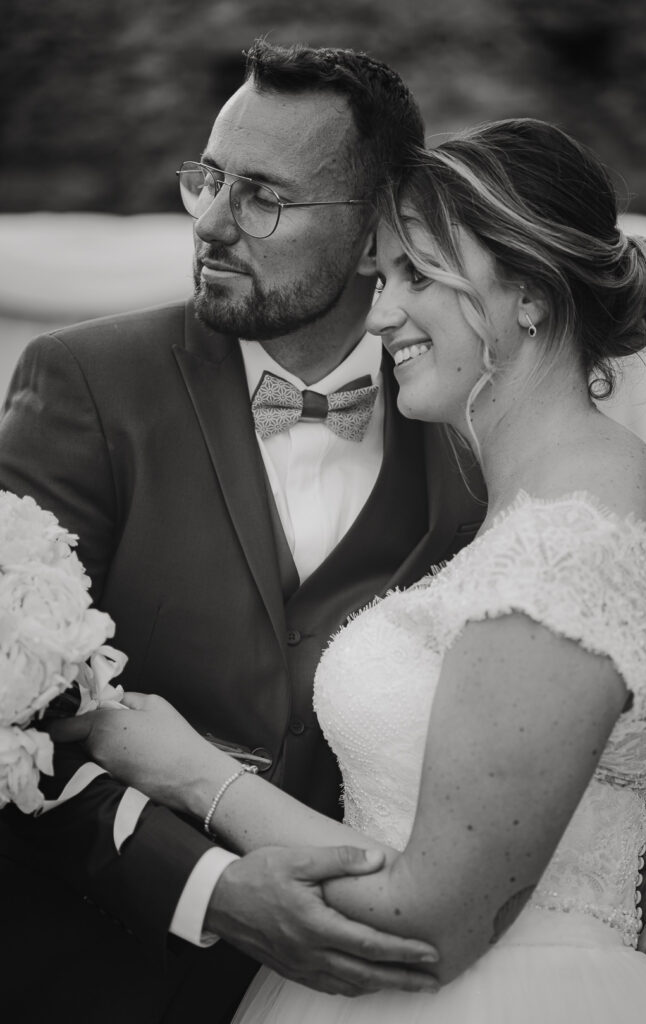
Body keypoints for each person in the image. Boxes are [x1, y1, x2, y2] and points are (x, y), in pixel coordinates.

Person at [54, 117, 646, 1022]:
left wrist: (181, 767)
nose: (381, 312)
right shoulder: (534, 494)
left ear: (531, 296)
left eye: (417, 276)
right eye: (383, 275)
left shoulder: (572, 527)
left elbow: (426, 921)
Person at [0, 41, 487, 1024]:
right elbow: (13, 718)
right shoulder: (84, 382)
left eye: (262, 196)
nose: (212, 223)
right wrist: (205, 887)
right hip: (88, 979)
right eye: (209, 178)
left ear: (372, 237)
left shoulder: (470, 428)